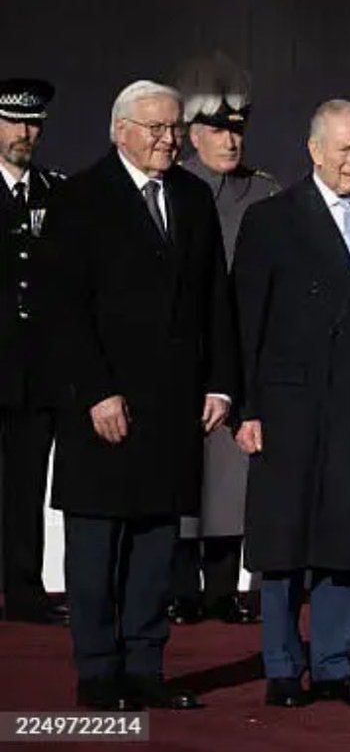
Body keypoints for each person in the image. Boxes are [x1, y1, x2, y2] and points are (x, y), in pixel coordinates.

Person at [44, 80, 238, 711]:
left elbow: (215, 297)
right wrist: (97, 392)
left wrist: (221, 383)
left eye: (174, 128)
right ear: (119, 130)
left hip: (173, 404)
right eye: (156, 128)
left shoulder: (192, 197)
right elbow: (62, 308)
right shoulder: (79, 197)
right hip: (102, 405)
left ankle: (146, 666)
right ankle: (99, 670)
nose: (169, 140)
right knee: (97, 545)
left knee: (157, 543)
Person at [232, 99, 350, 709]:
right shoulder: (271, 219)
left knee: (348, 535)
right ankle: (282, 665)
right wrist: (246, 407)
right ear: (313, 150)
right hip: (289, 404)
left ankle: (335, 662)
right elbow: (245, 321)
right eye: (344, 149)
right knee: (285, 540)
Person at [169, 52, 280, 626]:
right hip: (183, 351)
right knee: (183, 469)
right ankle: (178, 588)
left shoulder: (263, 193)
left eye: (238, 129)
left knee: (231, 475)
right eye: (217, 129)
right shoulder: (173, 188)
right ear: (193, 134)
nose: (231, 140)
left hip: (240, 350)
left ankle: (220, 589)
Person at [0, 78, 68, 626]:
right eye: (14, 122)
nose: (25, 133)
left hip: (35, 372)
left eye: (34, 123)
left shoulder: (56, 192)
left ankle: (23, 589)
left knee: (26, 486)